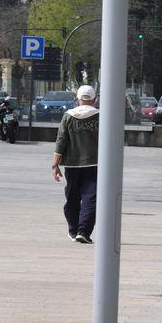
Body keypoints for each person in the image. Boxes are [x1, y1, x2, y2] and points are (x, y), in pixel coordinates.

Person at [51, 85, 100, 244]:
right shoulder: (100, 116)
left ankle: (73, 230)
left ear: (78, 99)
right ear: (94, 100)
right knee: (90, 198)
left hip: (72, 165)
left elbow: (61, 141)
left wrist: (55, 165)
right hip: (95, 164)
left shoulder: (68, 116)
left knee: (72, 198)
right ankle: (83, 231)